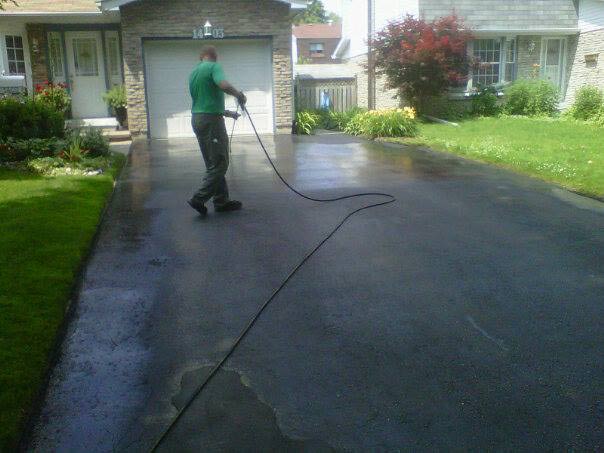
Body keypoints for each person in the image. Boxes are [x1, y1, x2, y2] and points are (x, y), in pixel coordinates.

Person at [187, 45, 247, 215]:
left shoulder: (194, 73)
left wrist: (227, 113)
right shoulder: (214, 67)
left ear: (201, 57)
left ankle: (221, 201)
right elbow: (223, 84)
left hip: (197, 119)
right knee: (221, 163)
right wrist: (239, 95)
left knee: (213, 163)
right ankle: (199, 198)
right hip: (211, 122)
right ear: (215, 56)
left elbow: (204, 101)